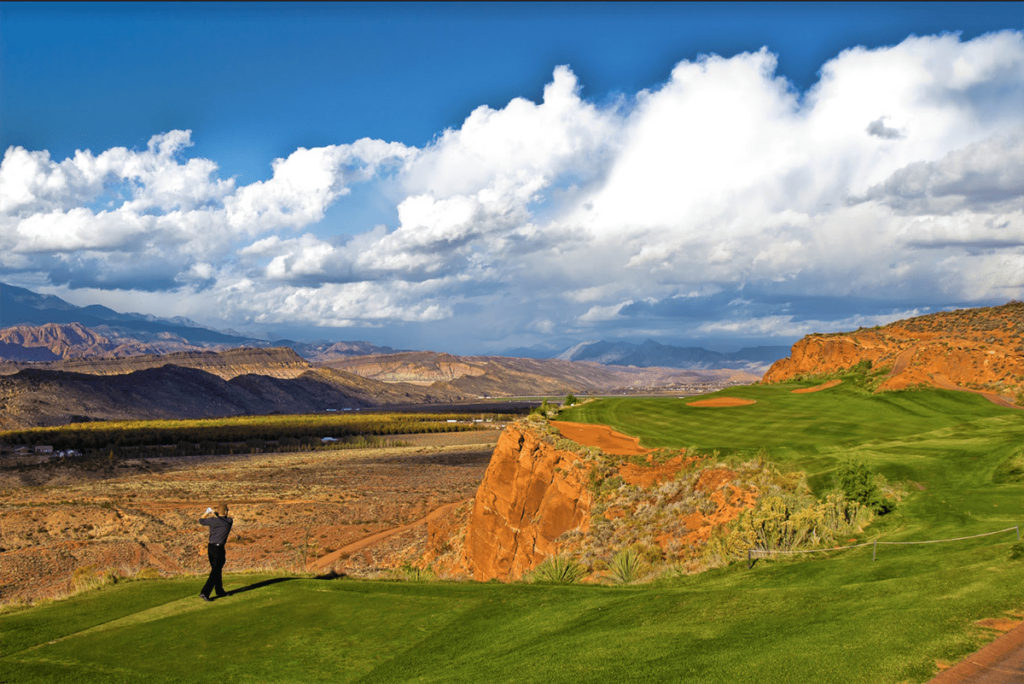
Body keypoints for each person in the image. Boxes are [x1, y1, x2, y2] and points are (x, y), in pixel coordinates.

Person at [199, 503, 233, 601]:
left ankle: (219, 590)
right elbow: (223, 519)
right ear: (226, 512)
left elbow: (201, 520)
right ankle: (205, 593)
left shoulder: (213, 521)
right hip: (219, 549)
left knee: (217, 569)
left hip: (211, 548)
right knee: (216, 571)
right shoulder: (229, 521)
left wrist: (208, 512)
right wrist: (216, 514)